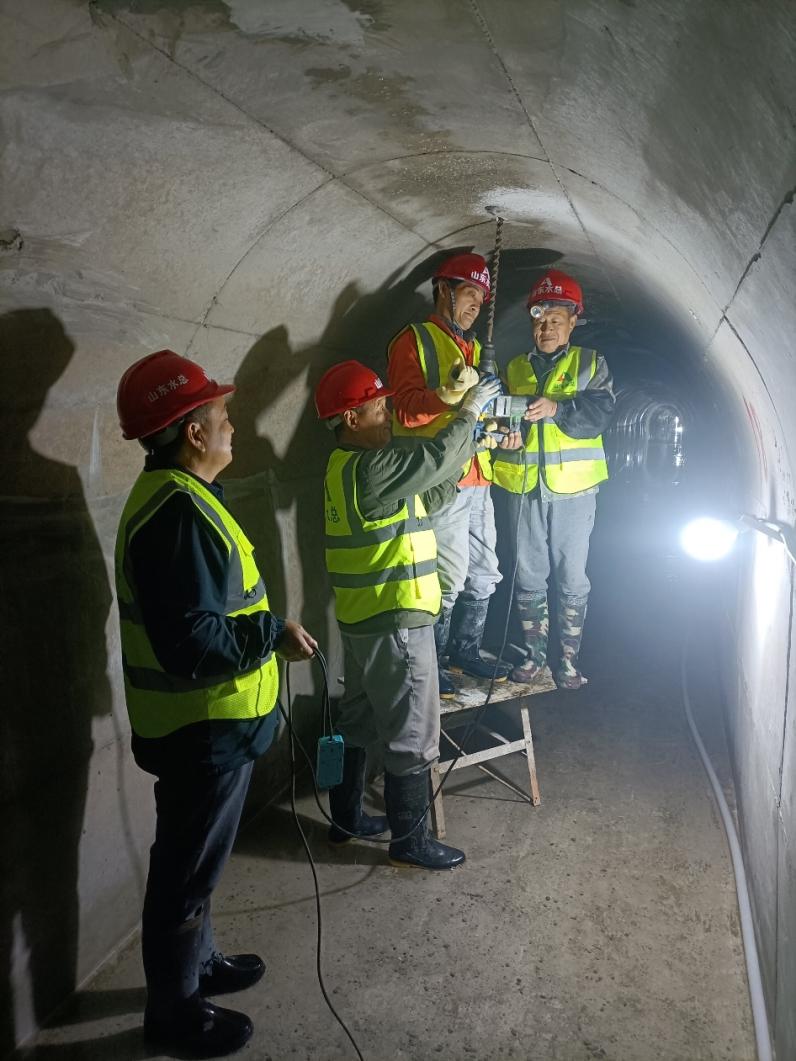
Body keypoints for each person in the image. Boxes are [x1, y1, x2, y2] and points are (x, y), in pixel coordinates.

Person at [114, 349, 318, 1057]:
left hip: (209, 725)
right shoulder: (177, 514)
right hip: (201, 728)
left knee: (196, 862)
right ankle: (174, 1014)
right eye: (222, 416)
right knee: (185, 871)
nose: (232, 426)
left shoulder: (184, 496)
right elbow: (192, 643)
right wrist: (271, 634)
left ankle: (200, 965)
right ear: (194, 432)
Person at [315, 359, 502, 869]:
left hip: (362, 620)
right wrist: (470, 412)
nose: (389, 416)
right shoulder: (373, 467)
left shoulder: (344, 468)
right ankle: (410, 844)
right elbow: (434, 456)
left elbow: (430, 489)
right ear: (351, 418)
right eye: (379, 408)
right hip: (397, 620)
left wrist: (470, 452)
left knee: (357, 722)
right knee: (414, 734)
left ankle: (346, 819)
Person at [387, 252, 520, 695]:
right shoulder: (414, 341)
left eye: (481, 299)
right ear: (443, 290)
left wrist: (503, 430)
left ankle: (465, 649)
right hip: (442, 480)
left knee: (485, 571)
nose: (475, 306)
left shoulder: (477, 350)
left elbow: (485, 413)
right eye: (468, 293)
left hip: (480, 476)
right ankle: (435, 661)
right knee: (447, 577)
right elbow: (404, 412)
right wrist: (448, 395)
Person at [490, 270, 615, 689]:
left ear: (573, 322)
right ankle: (534, 657)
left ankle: (568, 661)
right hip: (524, 488)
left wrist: (557, 409)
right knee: (528, 575)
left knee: (572, 576)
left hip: (574, 490)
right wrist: (506, 437)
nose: (546, 328)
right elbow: (504, 423)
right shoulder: (514, 367)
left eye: (555, 321)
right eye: (540, 320)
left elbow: (599, 415)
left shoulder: (591, 363)